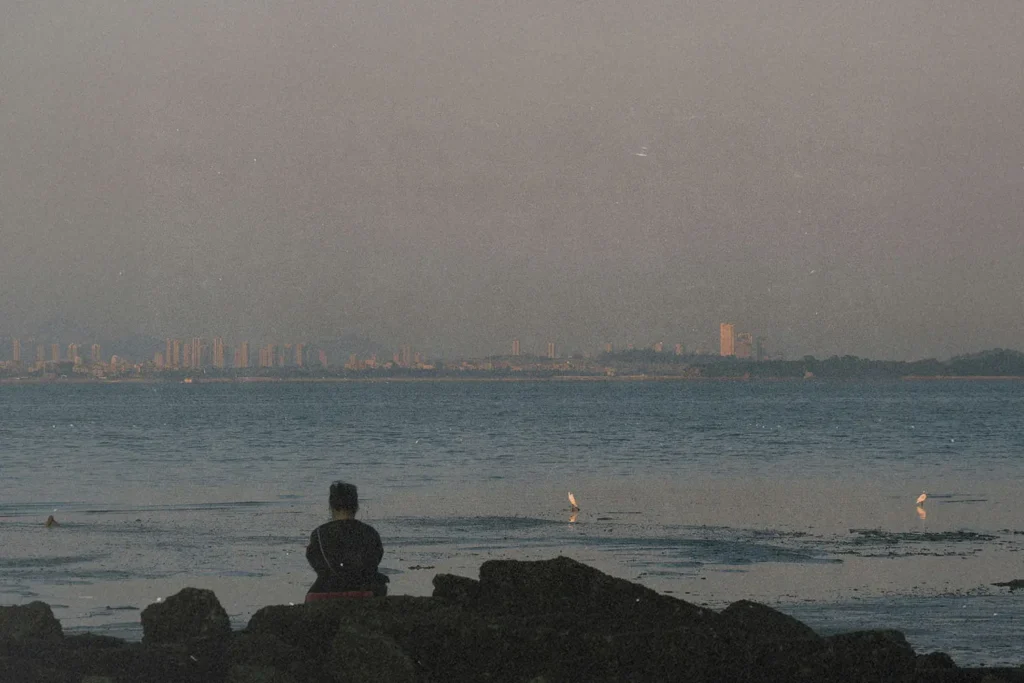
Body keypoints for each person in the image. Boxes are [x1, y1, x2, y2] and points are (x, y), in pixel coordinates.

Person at [305, 481, 388, 601]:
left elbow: (315, 562)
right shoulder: (370, 532)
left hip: (323, 592)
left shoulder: (318, 533)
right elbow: (374, 561)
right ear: (356, 506)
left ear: (331, 506)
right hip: (363, 592)